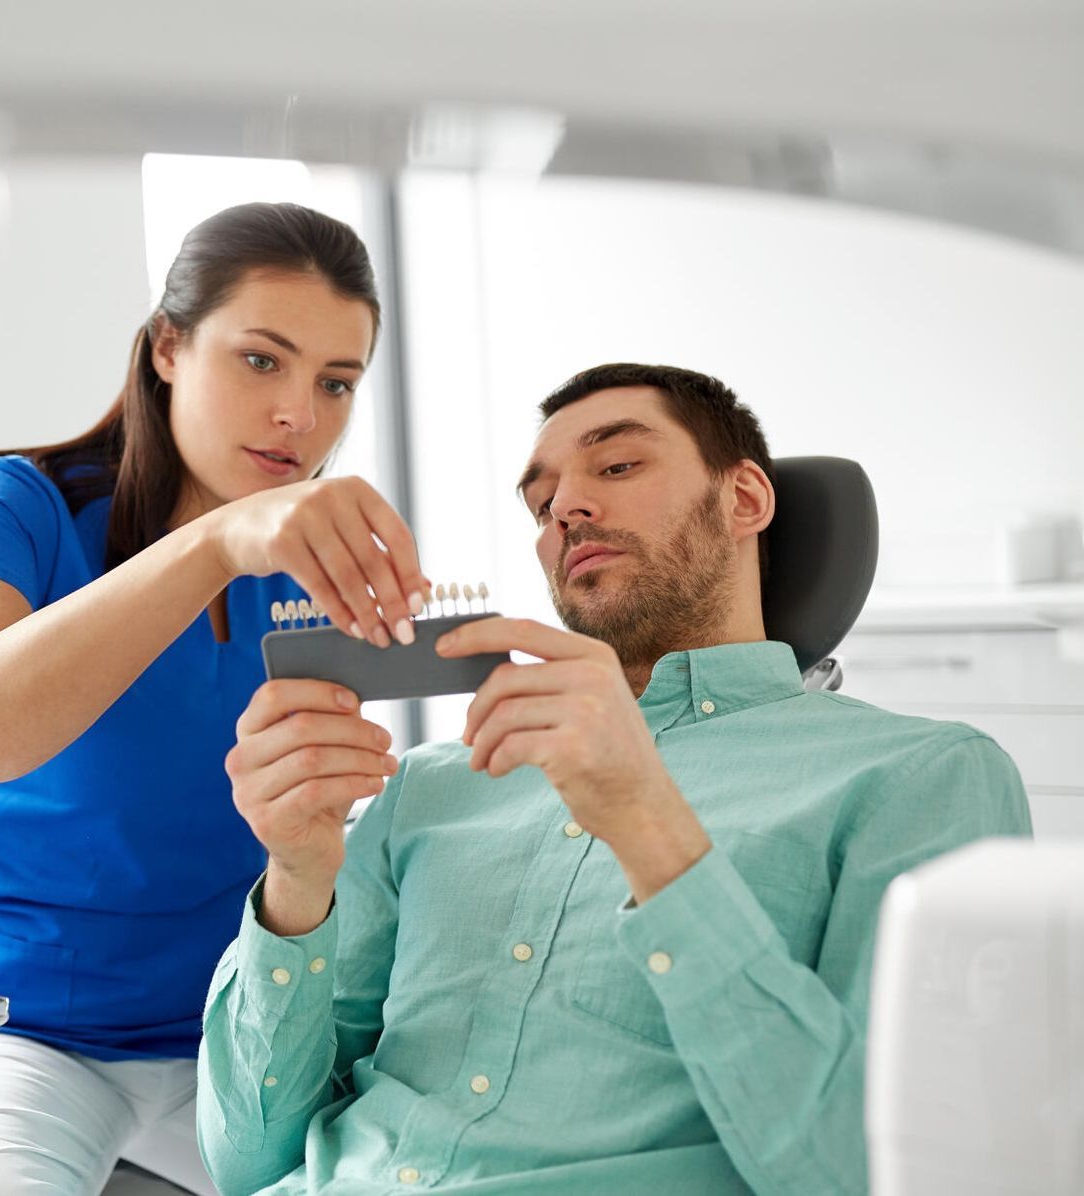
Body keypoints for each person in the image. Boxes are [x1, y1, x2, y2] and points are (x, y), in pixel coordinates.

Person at [201, 362, 1033, 1195]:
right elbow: (246, 1162)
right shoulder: (428, 786)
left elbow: (868, 1172)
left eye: (618, 465)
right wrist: (299, 878)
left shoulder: (923, 777)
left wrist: (645, 824)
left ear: (743, 498)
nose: (566, 507)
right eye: (540, 501)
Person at [0, 202, 433, 1196]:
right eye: (263, 360)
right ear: (169, 346)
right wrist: (216, 542)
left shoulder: (309, 569)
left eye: (335, 381)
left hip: (226, 1036)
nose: (301, 414)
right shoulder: (14, 504)